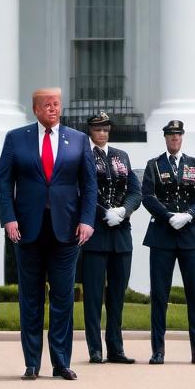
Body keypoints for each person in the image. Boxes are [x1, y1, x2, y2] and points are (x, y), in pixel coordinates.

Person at [0, 87, 97, 380]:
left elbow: (89, 185)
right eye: (48, 105)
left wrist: (87, 220)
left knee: (63, 298)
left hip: (66, 231)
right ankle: (31, 362)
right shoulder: (16, 138)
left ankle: (61, 362)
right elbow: (4, 182)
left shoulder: (78, 140)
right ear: (36, 109)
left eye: (57, 104)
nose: (54, 109)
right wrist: (8, 219)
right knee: (30, 298)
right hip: (27, 230)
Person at [141, 120, 195, 365]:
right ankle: (158, 350)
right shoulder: (154, 165)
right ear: (165, 138)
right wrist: (168, 216)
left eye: (178, 135)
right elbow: (148, 196)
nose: (174, 139)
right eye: (170, 135)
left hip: (191, 235)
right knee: (160, 294)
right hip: (162, 234)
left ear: (182, 137)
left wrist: (189, 215)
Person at [80, 110, 142, 364]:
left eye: (106, 129)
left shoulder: (121, 156)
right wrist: (105, 212)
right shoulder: (82, 155)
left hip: (120, 235)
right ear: (90, 132)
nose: (103, 133)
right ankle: (95, 349)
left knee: (117, 296)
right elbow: (81, 191)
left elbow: (135, 191)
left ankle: (116, 348)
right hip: (95, 233)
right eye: (98, 129)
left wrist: (124, 211)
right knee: (94, 297)